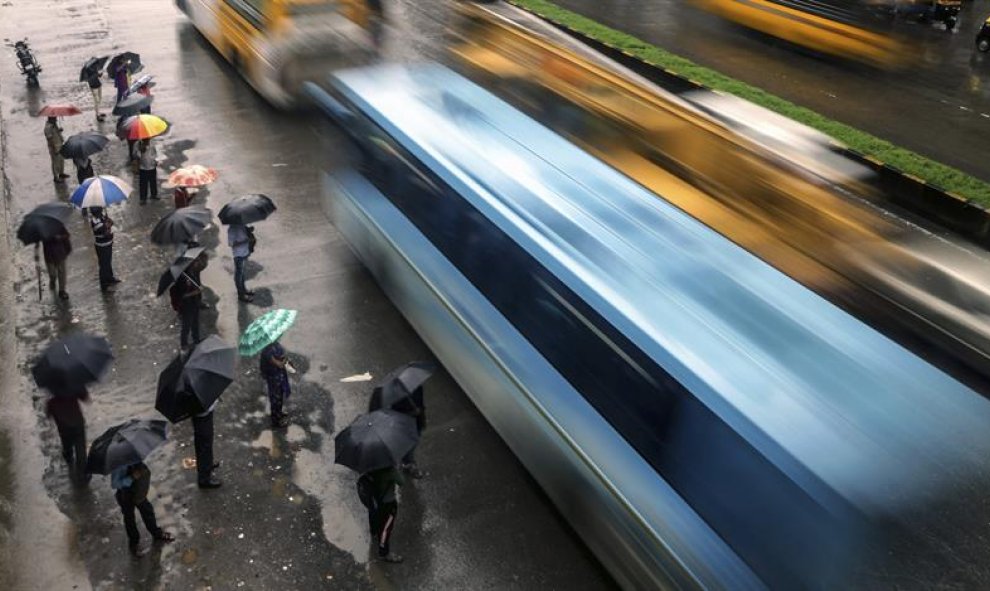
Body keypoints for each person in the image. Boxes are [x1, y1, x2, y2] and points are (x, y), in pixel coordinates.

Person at [111, 462, 175, 557]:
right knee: (129, 518)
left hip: (138, 489)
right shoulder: (118, 465)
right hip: (125, 493)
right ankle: (134, 543)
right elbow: (115, 484)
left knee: (147, 510)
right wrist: (131, 478)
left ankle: (156, 533)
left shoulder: (133, 455)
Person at [369, 386, 426, 479]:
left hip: (416, 422)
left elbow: (420, 402)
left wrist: (421, 415)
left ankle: (407, 463)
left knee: (412, 443)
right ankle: (400, 464)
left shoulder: (417, 386)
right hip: (402, 422)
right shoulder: (392, 391)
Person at [357, 465, 404, 563]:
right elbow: (401, 481)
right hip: (388, 503)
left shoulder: (369, 467)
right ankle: (384, 552)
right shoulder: (390, 471)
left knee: (374, 514)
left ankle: (373, 531)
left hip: (374, 500)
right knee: (386, 528)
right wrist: (395, 470)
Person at [45, 387, 90, 484]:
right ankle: (83, 475)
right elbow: (85, 398)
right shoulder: (73, 391)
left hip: (64, 428)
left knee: (67, 447)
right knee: (80, 449)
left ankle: (69, 460)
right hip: (78, 424)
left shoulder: (51, 402)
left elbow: (48, 416)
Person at [174, 256, 204, 349]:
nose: (197, 264)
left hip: (195, 303)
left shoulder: (193, 273)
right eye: (196, 262)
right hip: (187, 306)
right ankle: (184, 345)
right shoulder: (182, 278)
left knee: (195, 323)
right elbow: (181, 295)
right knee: (186, 326)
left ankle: (196, 339)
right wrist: (195, 292)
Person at [260, 341, 291, 428]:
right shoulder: (267, 351)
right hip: (274, 378)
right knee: (275, 397)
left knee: (280, 395)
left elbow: (283, 358)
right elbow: (279, 364)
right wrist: (282, 361)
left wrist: (284, 358)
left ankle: (279, 412)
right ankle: (276, 419)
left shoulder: (276, 345)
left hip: (279, 376)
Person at [89, 207, 120, 292]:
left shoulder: (102, 217)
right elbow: (103, 230)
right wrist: (107, 224)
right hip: (102, 246)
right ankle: (104, 286)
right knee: (103, 266)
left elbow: (111, 223)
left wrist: (107, 220)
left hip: (108, 243)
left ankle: (110, 278)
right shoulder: (95, 221)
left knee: (108, 262)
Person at [192, 398, 222, 489]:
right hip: (201, 410)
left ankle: (206, 464)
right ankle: (204, 478)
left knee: (205, 441)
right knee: (204, 442)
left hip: (204, 408)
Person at [42, 227, 71, 300]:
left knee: (61, 272)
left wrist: (60, 238)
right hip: (49, 254)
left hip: (60, 253)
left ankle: (62, 290)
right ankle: (52, 280)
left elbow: (67, 235)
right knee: (52, 273)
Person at [226, 223, 254, 302]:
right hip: (238, 255)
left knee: (242, 273)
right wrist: (245, 241)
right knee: (238, 275)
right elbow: (231, 244)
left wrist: (249, 230)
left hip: (245, 252)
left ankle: (244, 290)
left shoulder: (242, 225)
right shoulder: (232, 229)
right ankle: (241, 295)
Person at [44, 117, 68, 184]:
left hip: (59, 145)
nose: (56, 119)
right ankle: (56, 177)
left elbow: (56, 133)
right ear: (51, 119)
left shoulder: (54, 124)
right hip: (54, 147)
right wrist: (54, 148)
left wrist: (59, 130)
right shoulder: (48, 127)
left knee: (61, 160)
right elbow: (50, 139)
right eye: (55, 118)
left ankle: (61, 173)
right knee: (55, 162)